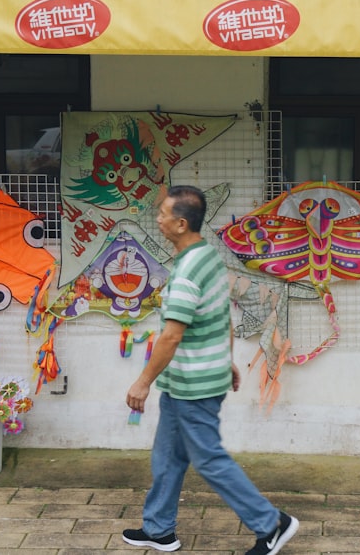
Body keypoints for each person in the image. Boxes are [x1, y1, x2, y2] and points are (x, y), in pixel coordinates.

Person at [123, 185, 298, 554]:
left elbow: (171, 337)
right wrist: (226, 361)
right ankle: (159, 530)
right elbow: (222, 317)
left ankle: (272, 524)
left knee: (209, 459)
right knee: (167, 456)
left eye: (163, 214)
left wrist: (142, 382)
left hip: (193, 387)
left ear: (181, 223)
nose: (158, 219)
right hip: (188, 381)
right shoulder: (208, 256)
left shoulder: (188, 271)